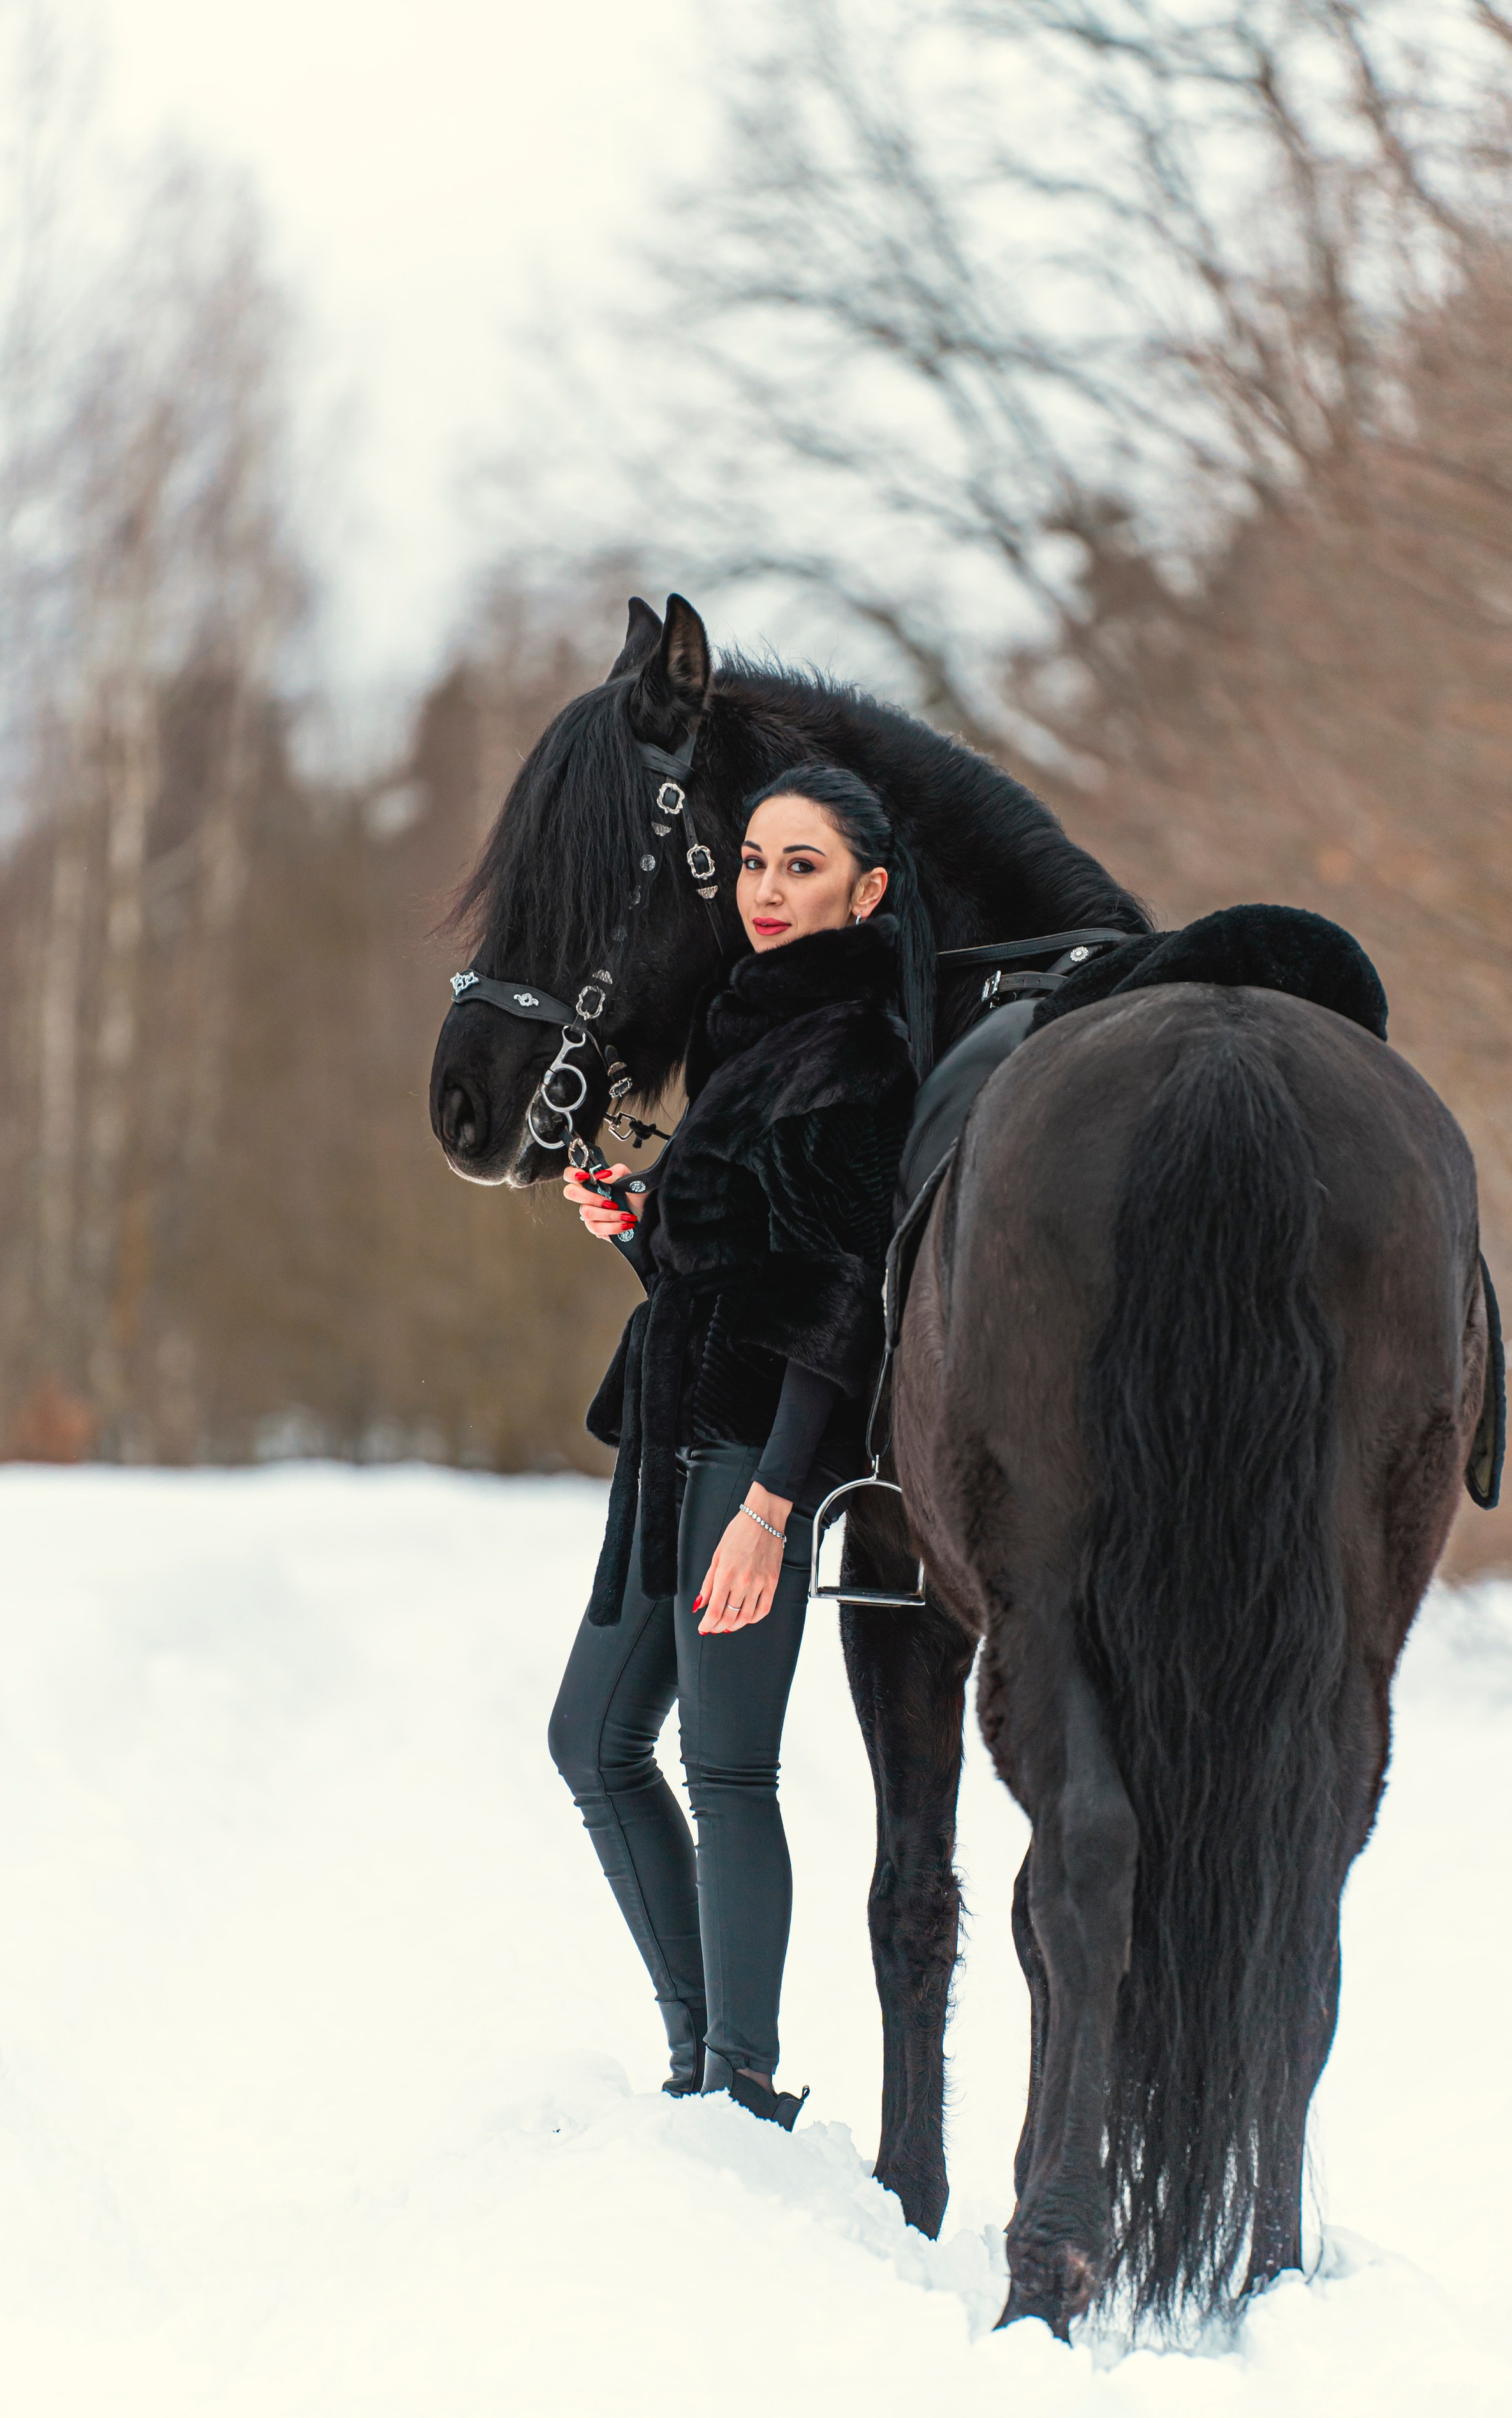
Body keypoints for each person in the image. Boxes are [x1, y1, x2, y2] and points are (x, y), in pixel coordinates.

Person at [546, 763, 933, 2127]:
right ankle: (696, 2059)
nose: (768, 893)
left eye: (802, 868)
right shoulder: (746, 1028)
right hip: (677, 1436)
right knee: (590, 1740)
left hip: (751, 1456)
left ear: (866, 890)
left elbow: (837, 1308)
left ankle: (739, 2086)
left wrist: (772, 1507)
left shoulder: (856, 1049)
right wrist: (641, 1228)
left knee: (726, 1770)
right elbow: (725, 1278)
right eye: (755, 864)